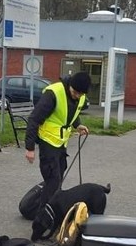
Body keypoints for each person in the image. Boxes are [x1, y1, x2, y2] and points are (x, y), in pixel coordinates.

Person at [24, 71, 91, 210]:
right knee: (53, 179)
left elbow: (71, 112)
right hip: (47, 141)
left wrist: (77, 125)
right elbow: (34, 119)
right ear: (70, 85)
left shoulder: (81, 97)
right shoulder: (53, 93)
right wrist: (29, 148)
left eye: (80, 94)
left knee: (59, 176)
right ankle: (43, 216)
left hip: (61, 143)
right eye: (75, 92)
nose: (77, 96)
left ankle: (50, 210)